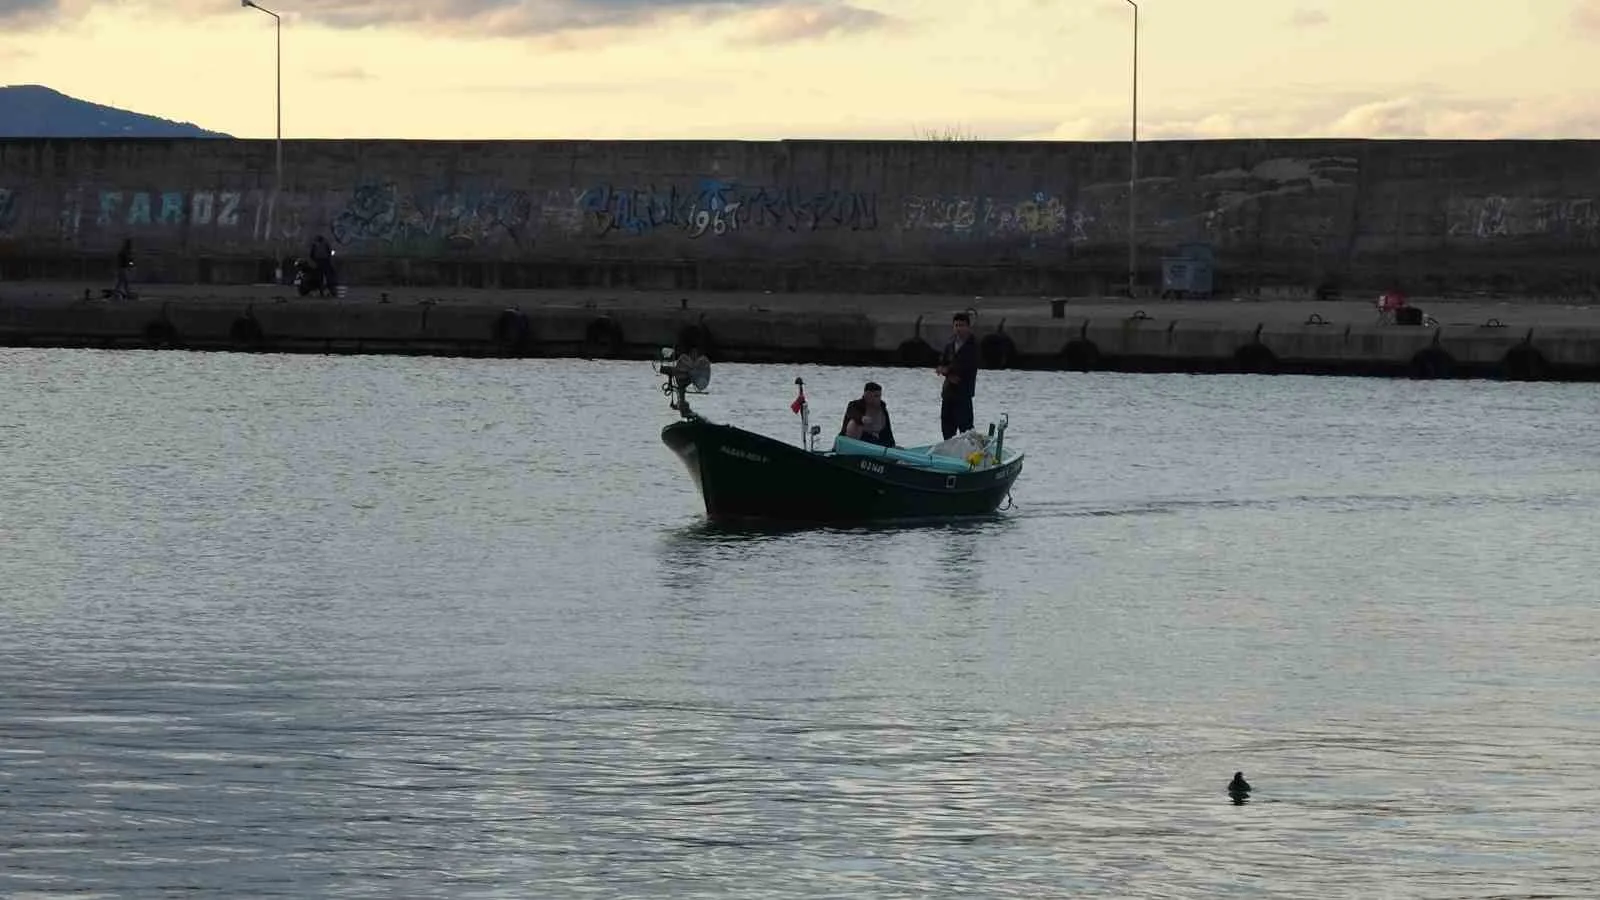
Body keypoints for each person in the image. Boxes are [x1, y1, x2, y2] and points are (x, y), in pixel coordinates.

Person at [935, 312, 978, 439]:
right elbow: (942, 363)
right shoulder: (950, 345)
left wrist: (947, 371)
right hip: (948, 393)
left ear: (968, 327)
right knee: (947, 430)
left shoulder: (973, 346)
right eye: (956, 325)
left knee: (966, 430)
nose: (959, 328)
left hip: (963, 394)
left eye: (962, 325)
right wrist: (944, 370)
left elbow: (967, 366)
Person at [839, 381, 896, 447]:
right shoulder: (854, 405)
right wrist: (861, 418)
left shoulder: (882, 409)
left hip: (874, 441)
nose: (879, 399)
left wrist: (892, 445)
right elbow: (851, 413)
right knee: (854, 423)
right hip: (854, 439)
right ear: (867, 395)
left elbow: (888, 431)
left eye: (880, 396)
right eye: (876, 396)